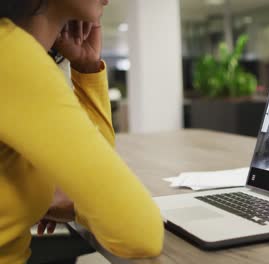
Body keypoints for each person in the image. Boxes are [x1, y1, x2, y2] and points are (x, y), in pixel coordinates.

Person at [0, 1, 164, 263]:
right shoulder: (10, 54)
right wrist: (74, 204)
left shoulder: (17, 51)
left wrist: (87, 68)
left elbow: (95, 175)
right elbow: (140, 233)